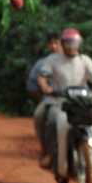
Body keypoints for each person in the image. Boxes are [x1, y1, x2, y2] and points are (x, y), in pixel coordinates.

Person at [35, 27, 92, 173]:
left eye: (74, 43)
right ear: (62, 44)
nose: (71, 46)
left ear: (79, 43)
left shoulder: (84, 60)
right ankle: (50, 154)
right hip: (59, 102)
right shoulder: (53, 60)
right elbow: (42, 77)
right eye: (68, 43)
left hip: (82, 103)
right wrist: (45, 87)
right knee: (51, 120)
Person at [27, 31, 62, 164]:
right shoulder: (43, 63)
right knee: (39, 116)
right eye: (51, 43)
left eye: (56, 43)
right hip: (52, 100)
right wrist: (44, 96)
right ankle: (46, 150)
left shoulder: (77, 60)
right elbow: (33, 84)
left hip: (74, 99)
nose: (54, 46)